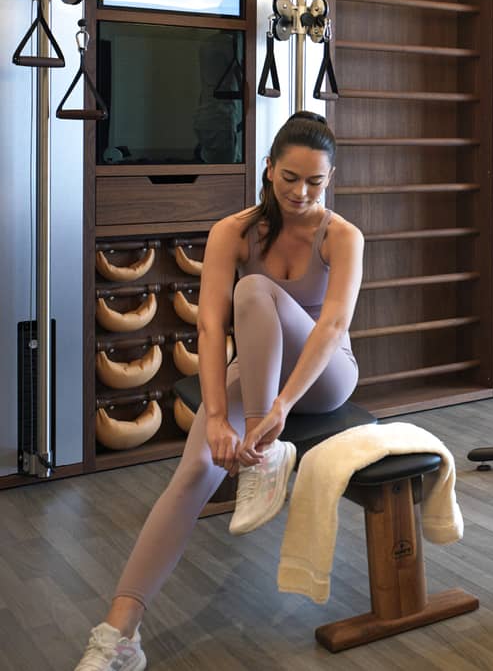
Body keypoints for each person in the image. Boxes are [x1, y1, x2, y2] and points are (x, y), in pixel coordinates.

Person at [75, 111, 364, 671]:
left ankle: (263, 452)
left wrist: (279, 408)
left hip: (323, 374)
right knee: (193, 471)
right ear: (269, 169)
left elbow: (332, 327)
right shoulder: (232, 231)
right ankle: (119, 634)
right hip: (254, 367)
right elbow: (209, 327)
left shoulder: (342, 236)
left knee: (254, 289)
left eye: (315, 181)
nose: (301, 193)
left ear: (330, 178)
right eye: (290, 178)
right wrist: (212, 417)